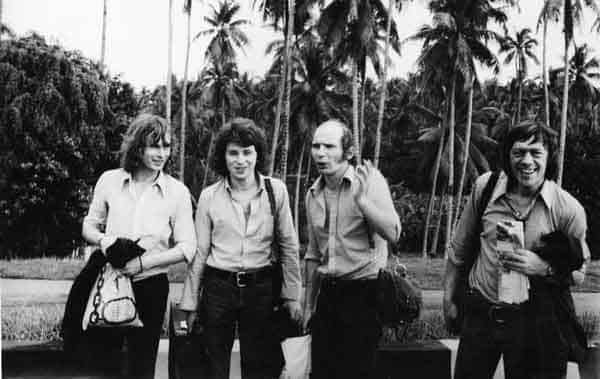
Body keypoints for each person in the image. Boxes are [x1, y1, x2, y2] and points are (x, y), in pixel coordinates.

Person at [444, 120, 591, 379]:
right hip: (481, 316)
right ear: (507, 155)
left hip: (533, 323)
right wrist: (448, 297)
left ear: (550, 158)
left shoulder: (567, 209)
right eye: (518, 152)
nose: (526, 161)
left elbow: (579, 273)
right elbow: (459, 249)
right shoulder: (485, 188)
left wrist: (542, 267)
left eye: (536, 153)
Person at [179, 117, 302, 379]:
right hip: (218, 288)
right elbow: (200, 253)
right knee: (214, 366)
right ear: (223, 157)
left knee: (259, 366)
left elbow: (289, 245)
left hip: (261, 289)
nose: (240, 160)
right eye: (233, 153)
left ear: (257, 154)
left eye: (247, 152)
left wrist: (292, 295)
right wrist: (189, 303)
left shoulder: (276, 191)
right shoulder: (209, 196)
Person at [82, 113, 197, 379]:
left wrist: (143, 264)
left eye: (166, 146)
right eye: (154, 145)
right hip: (110, 281)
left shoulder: (177, 192)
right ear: (137, 146)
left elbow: (187, 246)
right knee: (105, 363)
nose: (161, 153)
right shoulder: (110, 180)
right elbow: (89, 226)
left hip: (151, 287)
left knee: (142, 365)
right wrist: (105, 241)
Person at [302, 119, 401, 379]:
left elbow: (393, 233)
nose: (321, 153)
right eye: (316, 146)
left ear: (348, 152)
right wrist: (308, 306)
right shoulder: (312, 194)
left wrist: (362, 201)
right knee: (322, 372)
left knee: (358, 372)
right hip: (328, 297)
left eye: (329, 146)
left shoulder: (369, 181)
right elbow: (313, 254)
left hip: (364, 296)